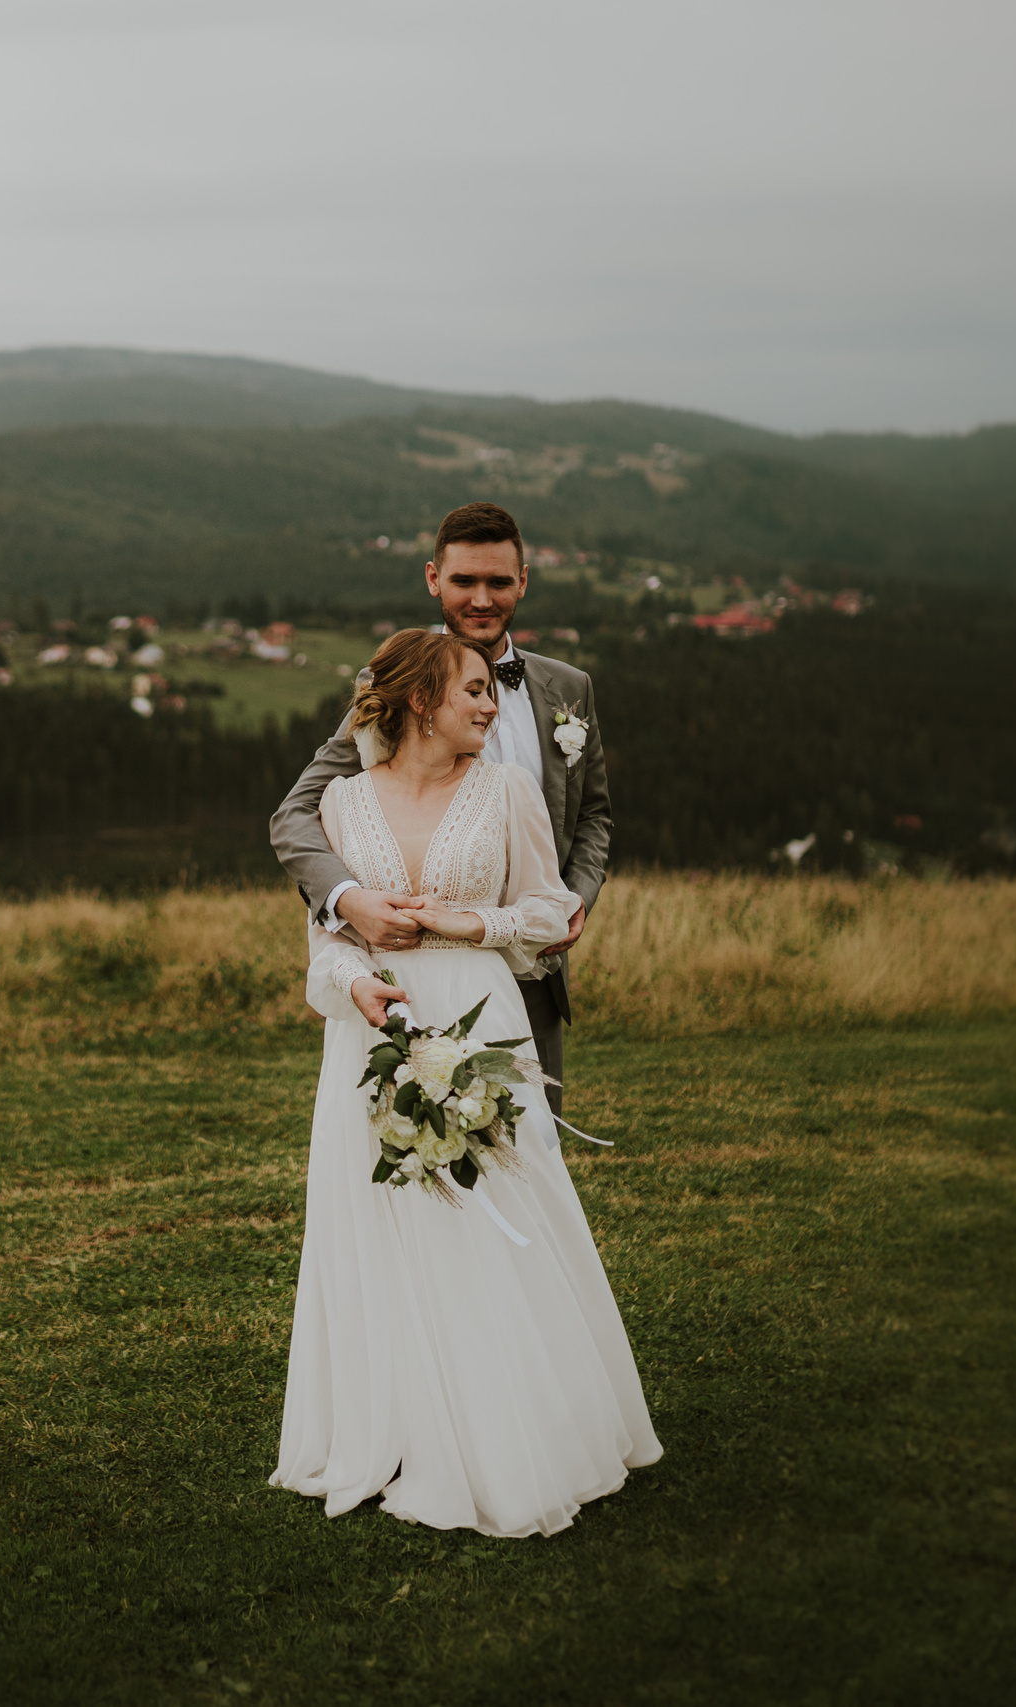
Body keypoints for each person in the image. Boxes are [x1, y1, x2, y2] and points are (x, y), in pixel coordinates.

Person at [269, 627, 659, 1537]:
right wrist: (356, 985)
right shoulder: (342, 803)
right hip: (374, 1033)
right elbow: (325, 944)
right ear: (420, 701)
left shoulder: (509, 790)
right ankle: (398, 1431)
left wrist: (471, 924)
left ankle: (516, 1427)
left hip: (482, 1016)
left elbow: (551, 910)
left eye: (491, 688)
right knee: (383, 1220)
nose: (490, 705)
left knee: (497, 1213)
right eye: (474, 691)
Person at [270, 501, 607, 1114]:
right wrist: (349, 900)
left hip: (533, 960)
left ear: (523, 582)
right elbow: (296, 814)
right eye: (463, 581)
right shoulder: (392, 689)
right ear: (433, 579)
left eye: (498, 582)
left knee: (527, 1140)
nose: (481, 599)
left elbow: (592, 816)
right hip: (407, 972)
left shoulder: (569, 688)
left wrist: (575, 897)